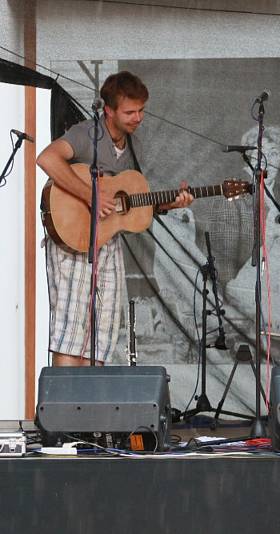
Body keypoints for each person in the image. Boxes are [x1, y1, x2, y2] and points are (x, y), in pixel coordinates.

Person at [37, 71, 194, 367]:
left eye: (141, 110)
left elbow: (133, 202)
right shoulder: (88, 134)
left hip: (108, 242)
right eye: (130, 112)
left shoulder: (134, 146)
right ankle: (64, 408)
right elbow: (47, 158)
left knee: (104, 333)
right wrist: (89, 195)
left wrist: (169, 204)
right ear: (108, 110)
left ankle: (92, 404)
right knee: (71, 330)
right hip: (75, 240)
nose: (138, 118)